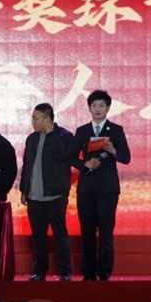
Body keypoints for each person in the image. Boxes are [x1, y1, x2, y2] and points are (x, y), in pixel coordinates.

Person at [72, 90, 131, 281]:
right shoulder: (82, 131)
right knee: (87, 232)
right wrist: (85, 164)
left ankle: (104, 273)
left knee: (106, 232)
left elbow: (126, 158)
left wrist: (113, 150)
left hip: (107, 189)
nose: (97, 109)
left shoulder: (116, 130)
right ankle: (88, 273)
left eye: (101, 105)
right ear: (89, 108)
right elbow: (70, 157)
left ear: (108, 108)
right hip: (86, 189)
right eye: (94, 105)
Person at [19, 103, 78, 282]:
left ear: (47, 119)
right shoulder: (32, 138)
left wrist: (51, 135)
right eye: (32, 118)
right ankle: (39, 271)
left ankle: (65, 272)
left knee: (60, 235)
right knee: (38, 236)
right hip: (34, 195)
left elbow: (64, 156)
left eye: (36, 118)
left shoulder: (64, 136)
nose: (33, 122)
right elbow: (27, 165)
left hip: (55, 195)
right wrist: (24, 190)